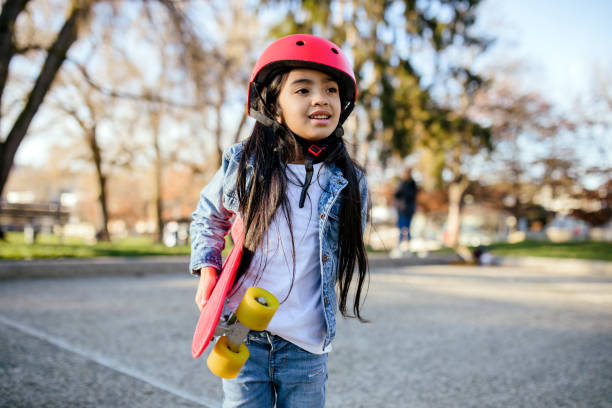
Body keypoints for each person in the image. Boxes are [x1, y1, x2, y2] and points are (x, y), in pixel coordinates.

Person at [190, 34, 369, 408]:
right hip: (242, 335)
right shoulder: (244, 164)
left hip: (306, 344)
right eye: (302, 90)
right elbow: (208, 217)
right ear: (272, 103)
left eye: (331, 90)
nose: (321, 98)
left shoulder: (349, 181)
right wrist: (208, 270)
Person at [394, 167, 417, 250]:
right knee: (404, 228)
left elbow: (398, 194)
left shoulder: (406, 184)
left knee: (404, 228)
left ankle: (403, 246)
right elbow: (397, 195)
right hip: (406, 209)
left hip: (405, 209)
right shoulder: (409, 183)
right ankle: (404, 246)